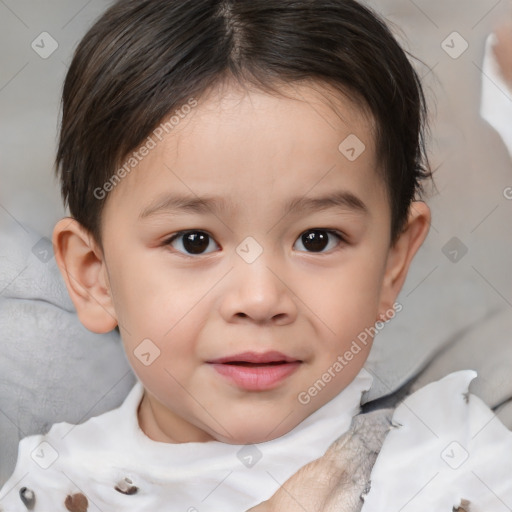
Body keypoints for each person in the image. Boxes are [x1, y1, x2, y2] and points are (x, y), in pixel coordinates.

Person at [0, 1, 511, 511]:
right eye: (194, 241)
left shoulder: (452, 464)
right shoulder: (56, 487)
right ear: (96, 276)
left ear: (391, 264)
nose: (260, 298)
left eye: (317, 239)